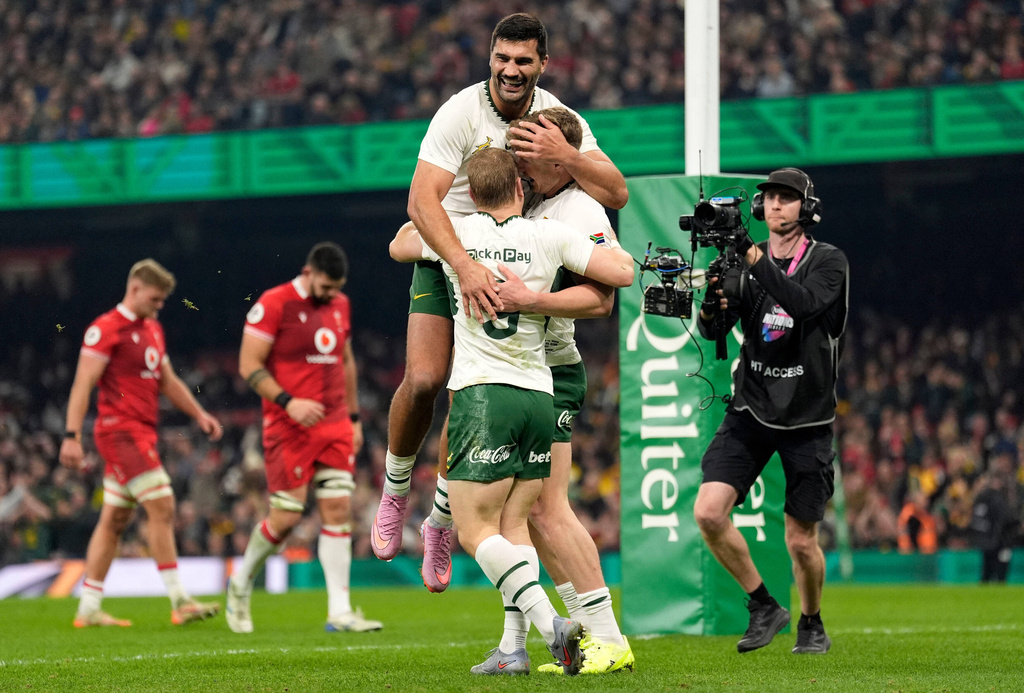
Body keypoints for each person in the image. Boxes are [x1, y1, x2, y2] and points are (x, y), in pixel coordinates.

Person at [372, 12, 628, 595]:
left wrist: (568, 154)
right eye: (502, 59)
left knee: (473, 392)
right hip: (451, 251)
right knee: (424, 379)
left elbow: (616, 192)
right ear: (490, 57)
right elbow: (420, 200)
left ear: (543, 64)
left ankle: (440, 521)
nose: (510, 71)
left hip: (515, 259)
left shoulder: (556, 119)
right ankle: (394, 489)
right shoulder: (460, 113)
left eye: (523, 61)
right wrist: (462, 265)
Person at [389, 147, 634, 675]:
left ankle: (556, 627)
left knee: (477, 532)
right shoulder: (548, 234)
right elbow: (621, 271)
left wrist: (447, 232)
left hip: (483, 394)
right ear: (521, 190)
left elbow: (400, 244)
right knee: (515, 522)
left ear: (472, 195)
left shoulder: (459, 238)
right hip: (539, 395)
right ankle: (513, 649)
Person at [469, 106, 633, 675]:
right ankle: (530, 644)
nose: (523, 162)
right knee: (523, 514)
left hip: (554, 368)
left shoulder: (581, 206)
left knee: (547, 507)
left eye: (534, 152)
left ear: (563, 158)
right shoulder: (531, 203)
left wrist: (533, 301)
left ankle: (607, 637)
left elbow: (605, 295)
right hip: (524, 371)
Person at [693, 168, 849, 655]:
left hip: (807, 419)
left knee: (801, 542)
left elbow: (801, 305)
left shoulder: (829, 261)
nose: (777, 205)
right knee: (708, 512)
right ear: (759, 209)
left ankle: (811, 621)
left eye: (787, 198)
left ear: (806, 208)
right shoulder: (741, 264)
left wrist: (753, 257)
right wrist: (711, 308)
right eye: (770, 198)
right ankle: (763, 605)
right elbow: (719, 329)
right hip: (751, 409)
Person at [59, 259, 223, 628]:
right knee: (162, 504)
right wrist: (71, 435)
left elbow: (167, 380)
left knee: (114, 519)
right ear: (134, 288)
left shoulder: (151, 329)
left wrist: (199, 414)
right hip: (120, 432)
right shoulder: (105, 329)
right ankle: (180, 600)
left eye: (163, 300)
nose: (159, 305)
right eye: (155, 298)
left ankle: (88, 607)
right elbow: (83, 383)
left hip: (141, 432)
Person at [228, 242, 381, 634]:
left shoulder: (340, 305)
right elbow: (248, 364)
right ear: (308, 272)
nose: (332, 295)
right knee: (285, 517)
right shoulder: (275, 303)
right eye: (326, 287)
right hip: (288, 425)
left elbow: (345, 361)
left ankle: (340, 612)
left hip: (332, 425)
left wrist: (353, 419)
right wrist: (288, 401)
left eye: (337, 288)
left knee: (338, 512)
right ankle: (241, 582)